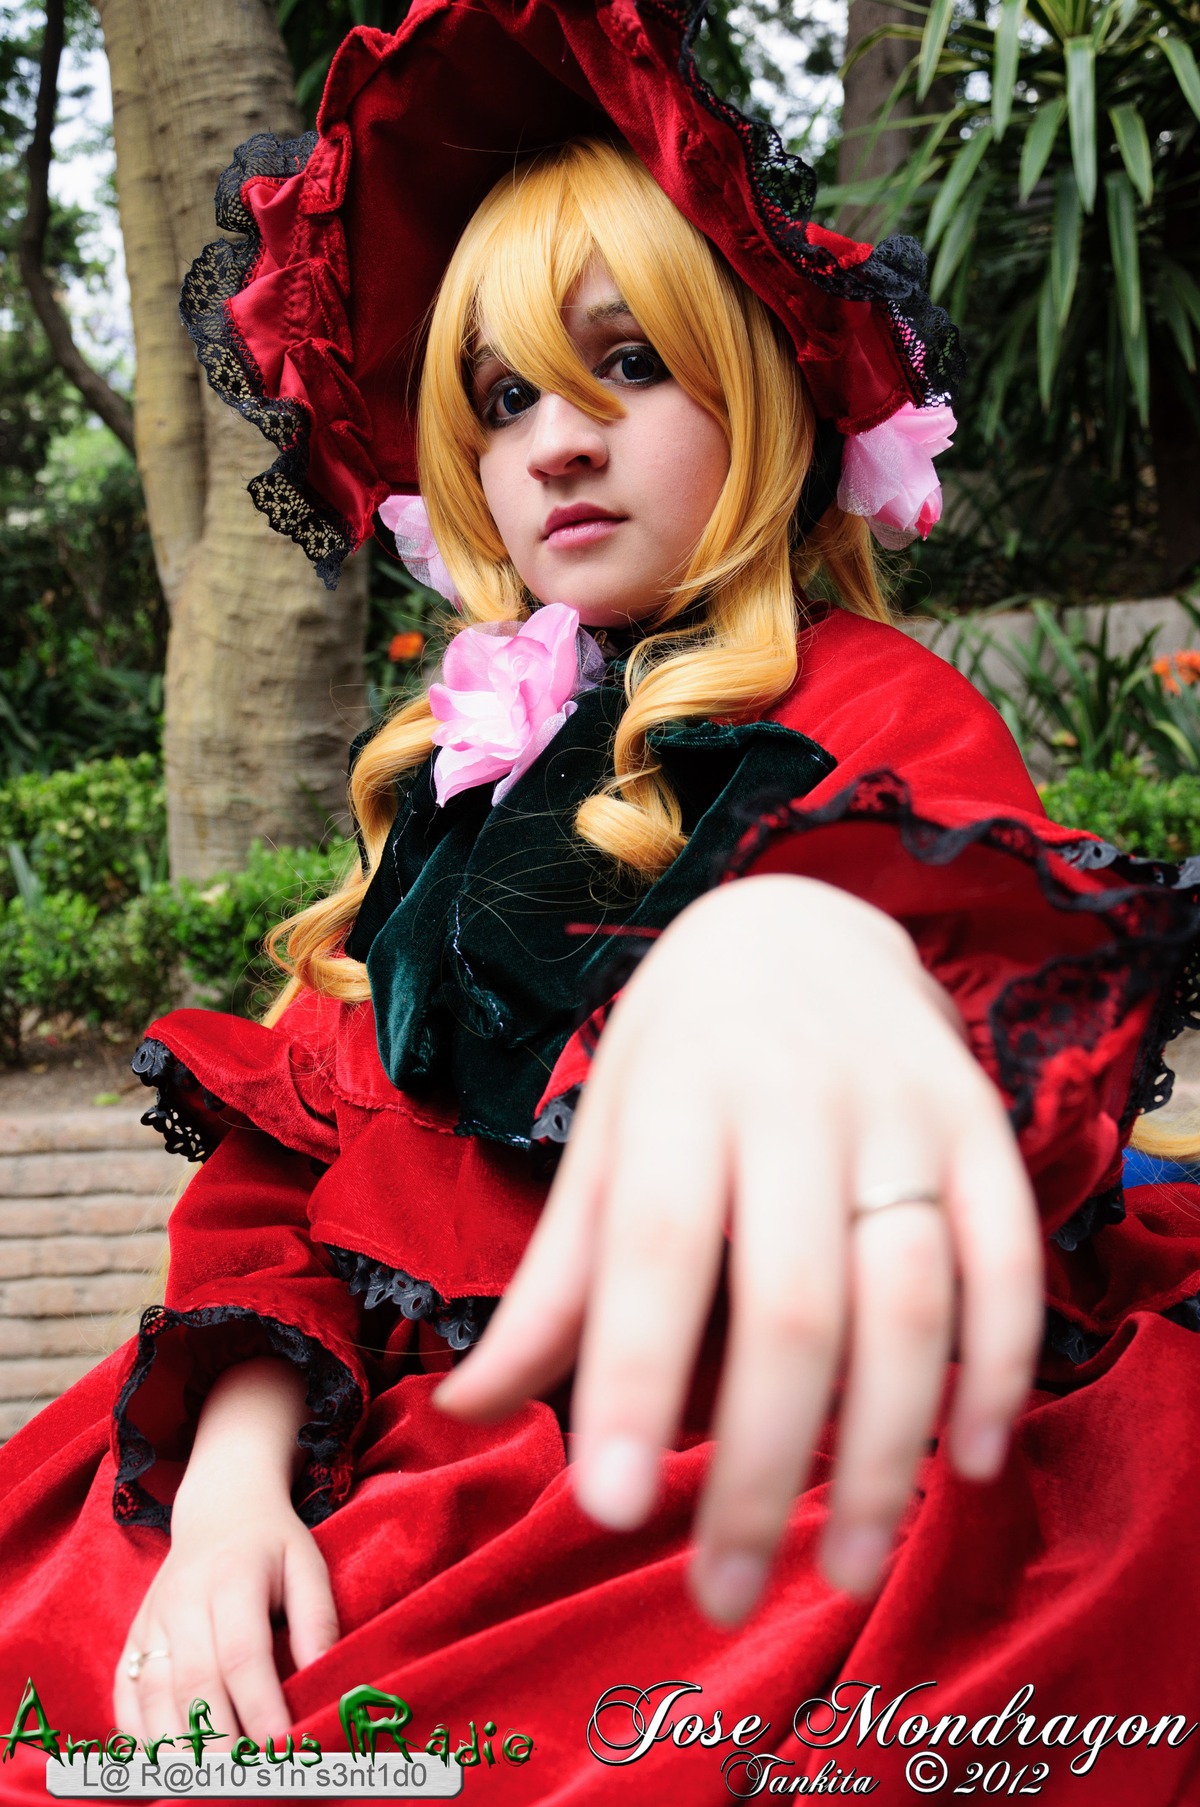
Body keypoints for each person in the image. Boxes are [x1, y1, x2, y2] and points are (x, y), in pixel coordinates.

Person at [0, 6, 1199, 1804]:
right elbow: (294, 1183)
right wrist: (237, 1483)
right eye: (502, 400)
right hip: (394, 1425)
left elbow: (984, 1090)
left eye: (627, 367)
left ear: (763, 392)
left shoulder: (873, 719)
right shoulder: (453, 763)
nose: (557, 443)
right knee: (109, 1678)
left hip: (747, 1436)